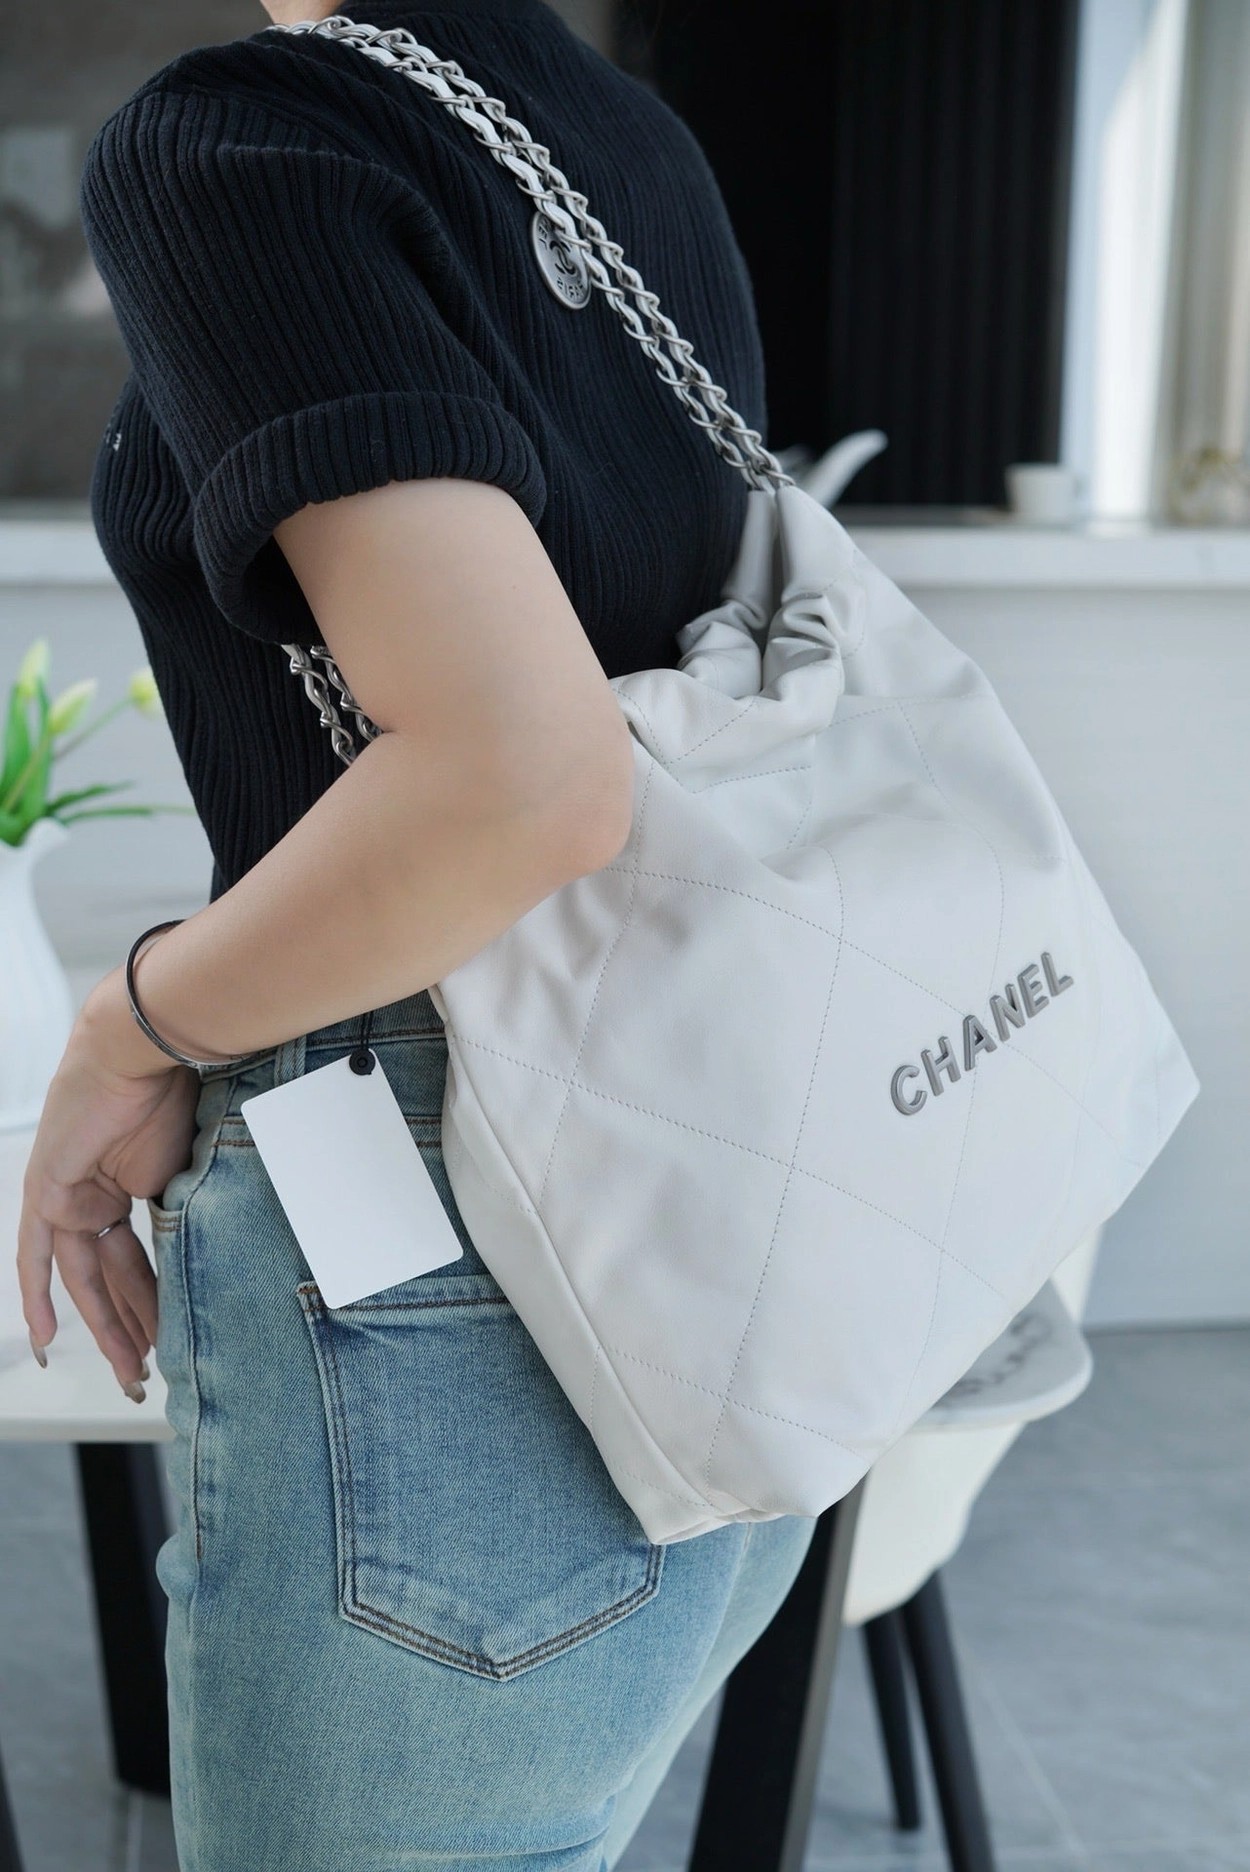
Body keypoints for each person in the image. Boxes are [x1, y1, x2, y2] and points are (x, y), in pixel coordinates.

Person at [18, 0, 819, 1863]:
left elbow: (523, 780)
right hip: (728, 1164)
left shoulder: (238, 141)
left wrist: (129, 1025)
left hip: (445, 1183)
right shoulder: (618, 135)